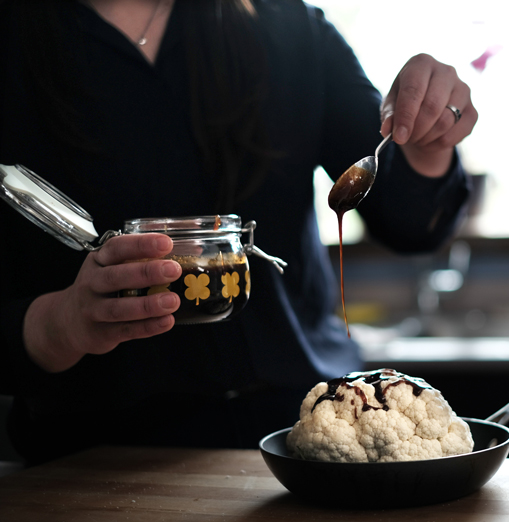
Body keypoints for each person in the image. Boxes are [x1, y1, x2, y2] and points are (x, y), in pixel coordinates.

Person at [0, 0, 476, 465]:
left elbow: (411, 224)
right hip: (96, 459)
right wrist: (54, 326)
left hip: (306, 439)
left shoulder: (289, 26)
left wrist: (429, 141)